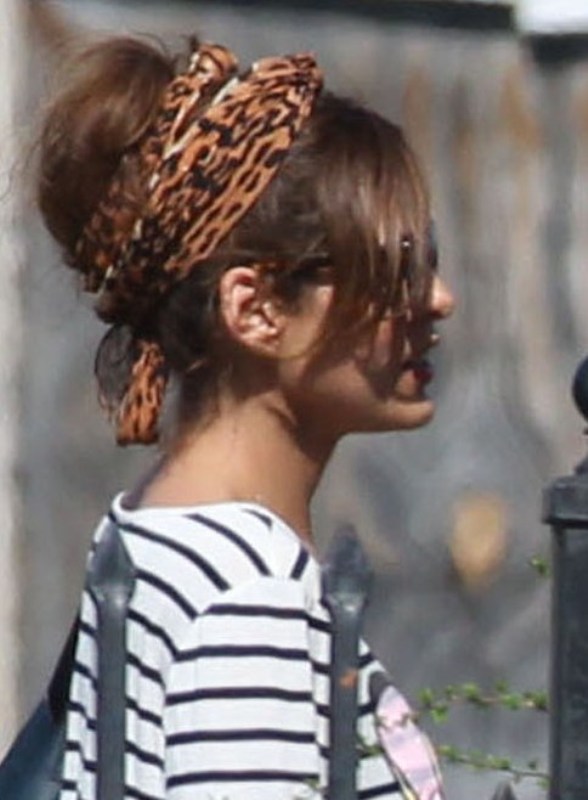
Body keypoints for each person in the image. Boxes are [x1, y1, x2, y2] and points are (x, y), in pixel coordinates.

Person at [37, 32, 455, 800]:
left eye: (426, 257)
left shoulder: (152, 528)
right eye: (394, 266)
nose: (437, 298)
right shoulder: (247, 597)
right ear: (256, 309)